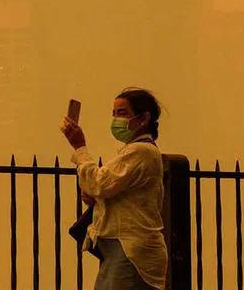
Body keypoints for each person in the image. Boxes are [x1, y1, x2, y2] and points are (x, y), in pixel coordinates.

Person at [60, 88, 167, 290]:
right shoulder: (135, 151)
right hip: (121, 250)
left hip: (129, 251)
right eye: (114, 113)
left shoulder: (141, 151)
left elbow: (99, 184)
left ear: (143, 118)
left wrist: (80, 147)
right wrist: (97, 198)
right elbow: (117, 193)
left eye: (122, 113)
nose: (116, 119)